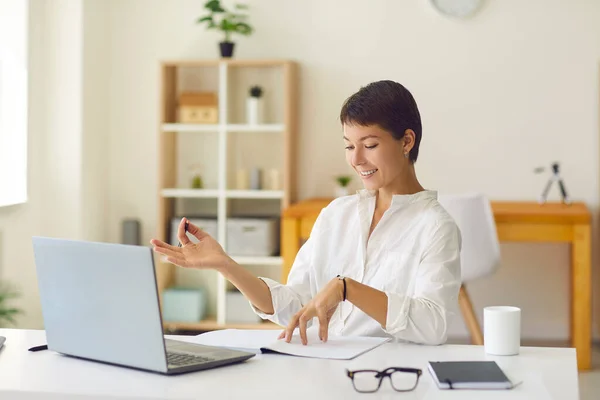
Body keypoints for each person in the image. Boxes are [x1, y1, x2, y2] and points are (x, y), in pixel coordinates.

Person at [151, 80, 462, 346]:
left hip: (386, 377)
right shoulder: (337, 214)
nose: (356, 160)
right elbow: (295, 306)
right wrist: (225, 265)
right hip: (322, 367)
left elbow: (433, 326)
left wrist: (347, 289)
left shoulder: (435, 227)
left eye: (369, 144)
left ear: (406, 141)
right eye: (349, 146)